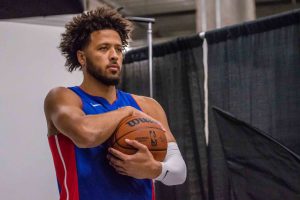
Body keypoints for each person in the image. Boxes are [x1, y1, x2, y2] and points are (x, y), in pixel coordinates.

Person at [44, 7, 186, 200]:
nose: (114, 55)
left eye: (118, 49)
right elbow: (85, 135)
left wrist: (154, 169)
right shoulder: (62, 98)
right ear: (82, 57)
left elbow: (179, 173)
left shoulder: (148, 105)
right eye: (103, 48)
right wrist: (126, 112)